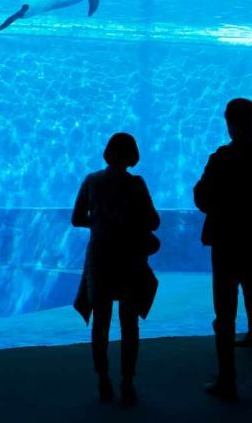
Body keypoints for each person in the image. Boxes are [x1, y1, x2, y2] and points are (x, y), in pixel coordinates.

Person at [194, 98, 252, 400]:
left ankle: (228, 379)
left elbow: (201, 197)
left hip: (227, 243)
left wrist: (222, 207)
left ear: (229, 123)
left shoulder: (221, 158)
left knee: (225, 312)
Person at [72, 133, 160, 404]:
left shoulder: (91, 181)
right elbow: (154, 222)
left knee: (101, 322)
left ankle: (103, 380)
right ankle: (127, 382)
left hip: (100, 257)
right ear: (133, 155)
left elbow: (76, 219)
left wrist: (100, 224)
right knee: (129, 323)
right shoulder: (136, 184)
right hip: (129, 257)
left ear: (108, 152)